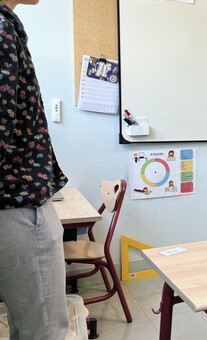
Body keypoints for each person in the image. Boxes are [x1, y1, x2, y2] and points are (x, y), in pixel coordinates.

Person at [0, 0, 70, 339]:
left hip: (14, 202)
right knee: (43, 330)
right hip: (17, 204)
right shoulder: (0, 27)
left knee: (25, 322)